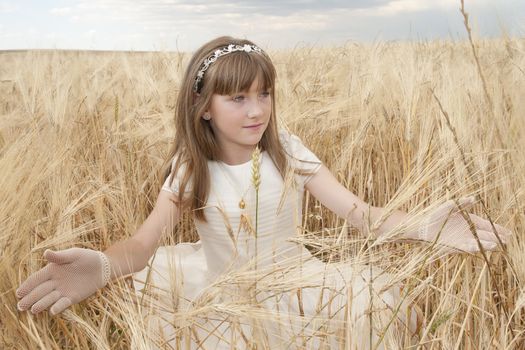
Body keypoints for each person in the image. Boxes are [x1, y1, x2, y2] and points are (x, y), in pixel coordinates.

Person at [16, 36, 511, 349]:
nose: (257, 110)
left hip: (302, 288)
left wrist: (423, 225)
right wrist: (102, 265)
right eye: (238, 98)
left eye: (264, 94)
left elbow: (362, 214)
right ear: (204, 108)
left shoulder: (287, 152)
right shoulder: (193, 169)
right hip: (219, 295)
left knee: (377, 311)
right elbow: (144, 246)